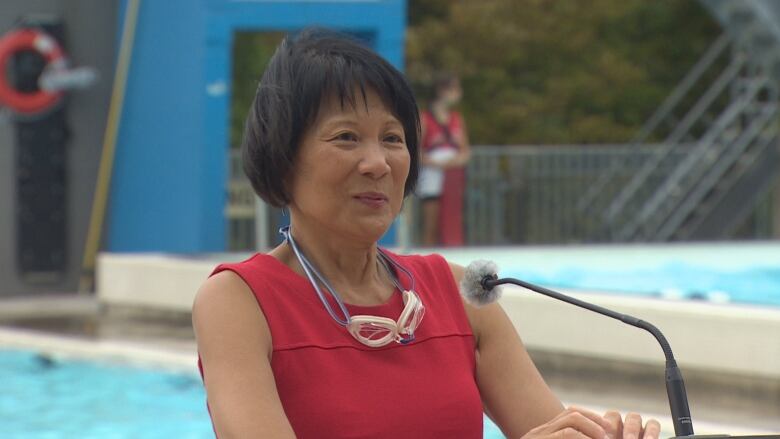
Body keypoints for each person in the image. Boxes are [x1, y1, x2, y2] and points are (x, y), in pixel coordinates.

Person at [192, 29, 660, 439]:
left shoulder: (461, 293)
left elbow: (545, 427)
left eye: (393, 139)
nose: (378, 163)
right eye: (346, 137)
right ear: (282, 158)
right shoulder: (237, 301)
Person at [418, 73, 470, 247]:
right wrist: (436, 163)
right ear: (442, 91)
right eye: (454, 89)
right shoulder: (425, 118)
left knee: (453, 223)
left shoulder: (457, 119)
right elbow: (415, 151)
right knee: (431, 223)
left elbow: (465, 151)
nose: (458, 94)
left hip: (452, 177)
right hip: (432, 175)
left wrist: (451, 163)